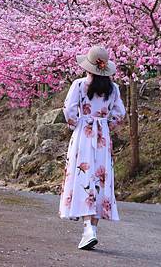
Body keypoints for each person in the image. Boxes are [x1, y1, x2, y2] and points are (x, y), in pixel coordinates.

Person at [59, 45, 126, 250]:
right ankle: (91, 227)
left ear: (88, 66)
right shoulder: (113, 89)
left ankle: (88, 228)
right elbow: (120, 113)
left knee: (83, 176)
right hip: (102, 137)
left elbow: (69, 111)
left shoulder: (79, 85)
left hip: (83, 135)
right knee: (100, 178)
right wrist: (106, 124)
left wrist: (78, 123)